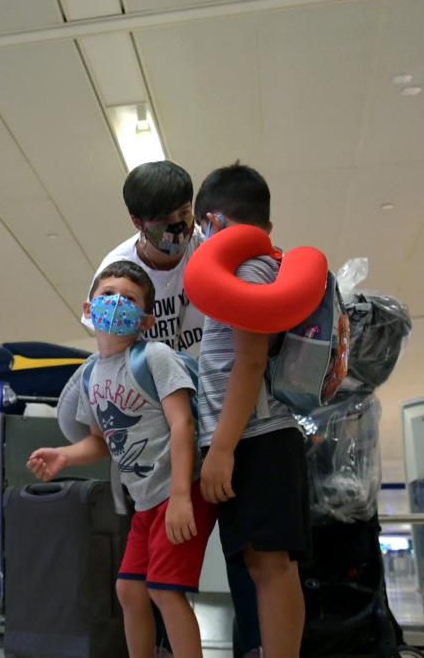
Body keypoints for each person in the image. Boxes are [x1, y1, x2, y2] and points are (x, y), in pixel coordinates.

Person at [30, 261, 217, 658]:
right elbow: (100, 441)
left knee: (165, 590)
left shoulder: (155, 357)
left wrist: (183, 496)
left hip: (178, 491)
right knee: (129, 590)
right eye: (107, 295)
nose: (116, 303)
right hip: (145, 500)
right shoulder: (89, 377)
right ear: (88, 308)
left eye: (129, 299)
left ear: (146, 320)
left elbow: (183, 424)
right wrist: (63, 456)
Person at [193, 163, 308, 658]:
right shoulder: (260, 262)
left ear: (213, 223)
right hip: (255, 436)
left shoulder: (248, 267)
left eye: (199, 229)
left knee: (271, 566)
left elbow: (251, 360)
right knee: (265, 565)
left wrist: (222, 448)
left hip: (256, 437)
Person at [83, 161, 205, 357]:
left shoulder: (207, 247)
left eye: (184, 212)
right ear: (138, 222)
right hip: (150, 380)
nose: (177, 225)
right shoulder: (115, 273)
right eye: (164, 220)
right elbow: (110, 350)